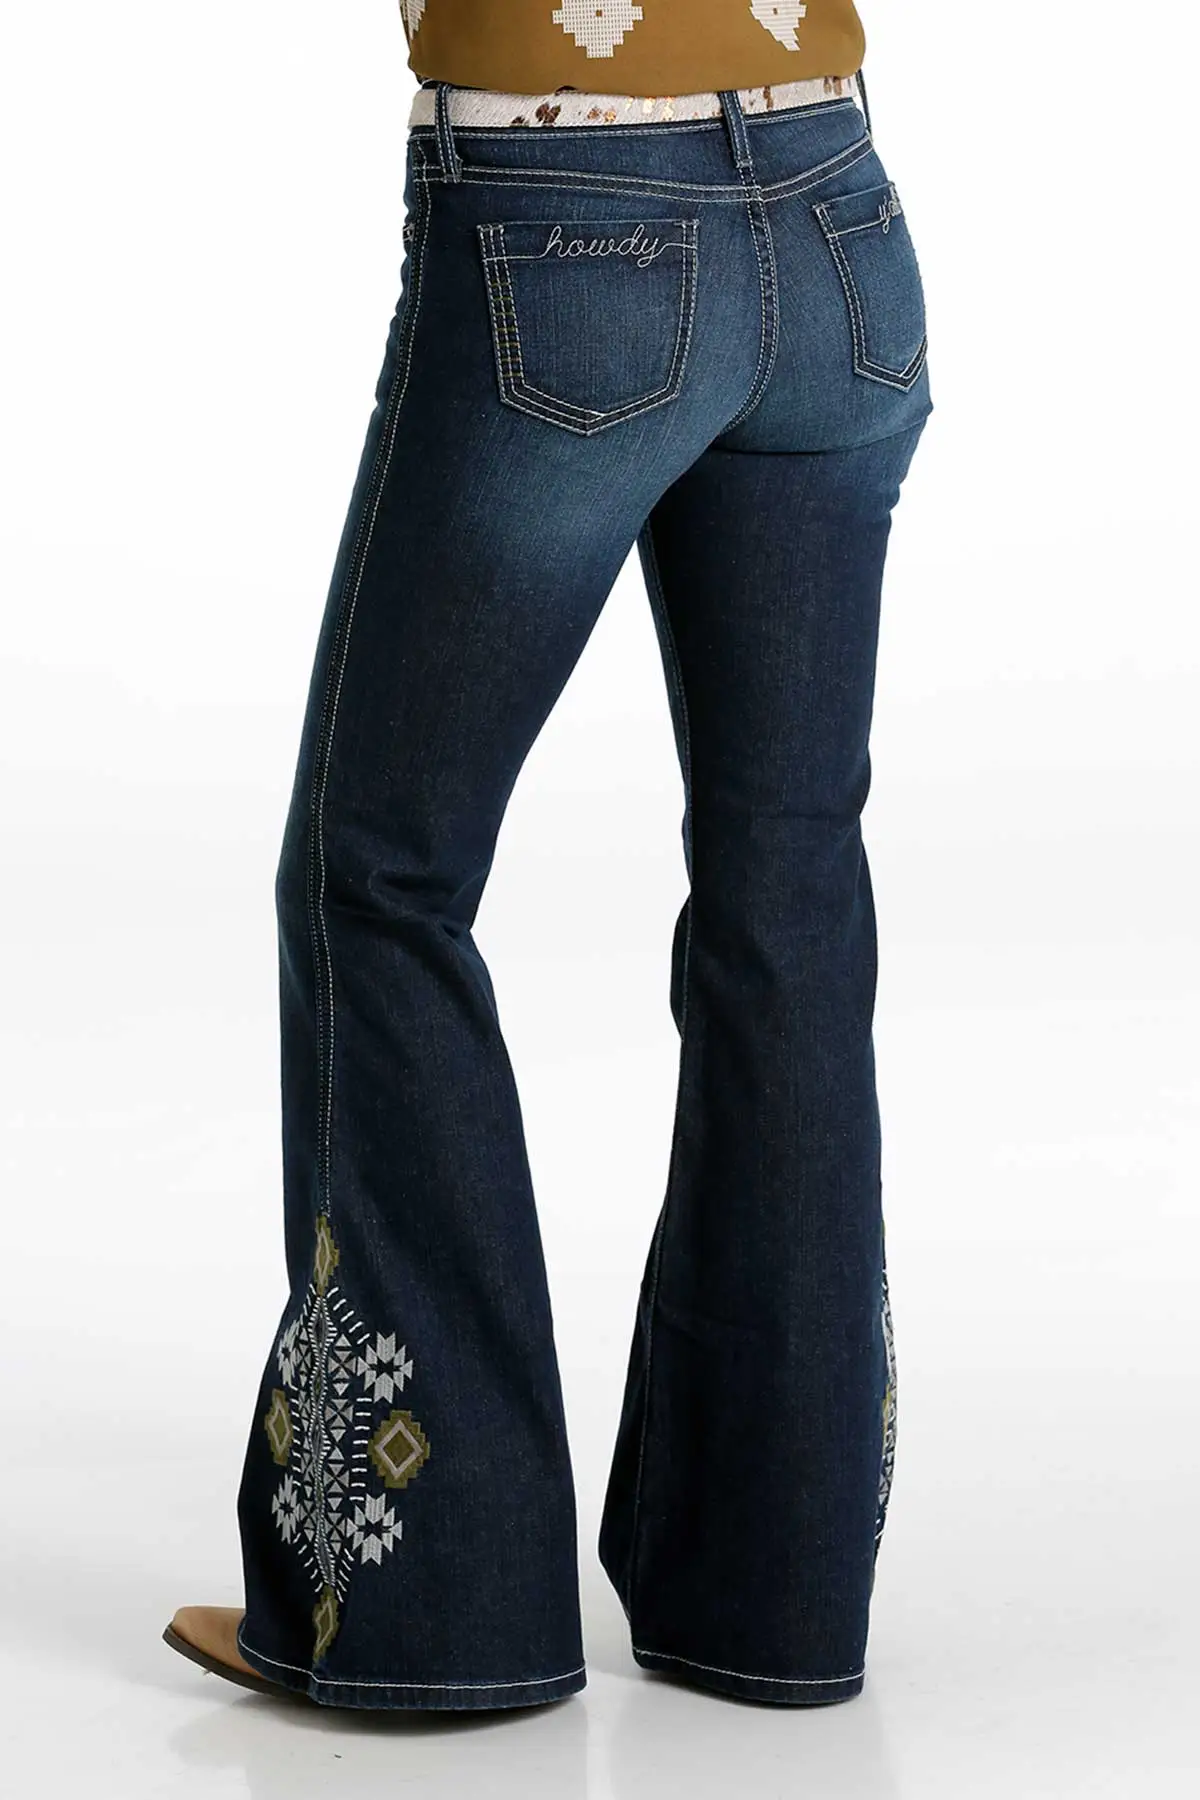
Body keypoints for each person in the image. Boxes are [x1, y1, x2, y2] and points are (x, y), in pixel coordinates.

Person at [164, 0, 931, 1712]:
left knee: (379, 875)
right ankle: (776, 1598)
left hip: (566, 227)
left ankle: (441, 1614)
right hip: (839, 218)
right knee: (790, 887)